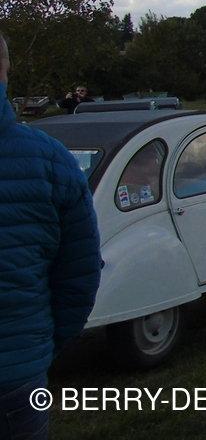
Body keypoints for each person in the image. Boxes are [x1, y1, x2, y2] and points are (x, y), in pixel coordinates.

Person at [0, 30, 102, 439]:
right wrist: (38, 349)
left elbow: (78, 273)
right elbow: (78, 277)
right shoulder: (50, 158)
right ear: (5, 70)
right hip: (16, 372)